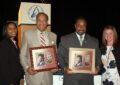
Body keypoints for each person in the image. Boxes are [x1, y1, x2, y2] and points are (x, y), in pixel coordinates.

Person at [58, 16, 101, 85]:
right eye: (79, 25)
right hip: (70, 79)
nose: (81, 28)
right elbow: (59, 56)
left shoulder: (94, 41)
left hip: (87, 79)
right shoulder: (65, 39)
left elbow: (98, 58)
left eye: (84, 25)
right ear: (75, 26)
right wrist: (64, 69)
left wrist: (98, 68)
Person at [20, 12, 58, 85]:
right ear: (36, 22)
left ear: (47, 22)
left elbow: (54, 54)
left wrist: (55, 66)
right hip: (33, 77)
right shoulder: (27, 34)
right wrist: (27, 68)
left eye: (44, 20)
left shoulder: (53, 36)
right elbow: (22, 55)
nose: (41, 22)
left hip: (48, 77)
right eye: (39, 20)